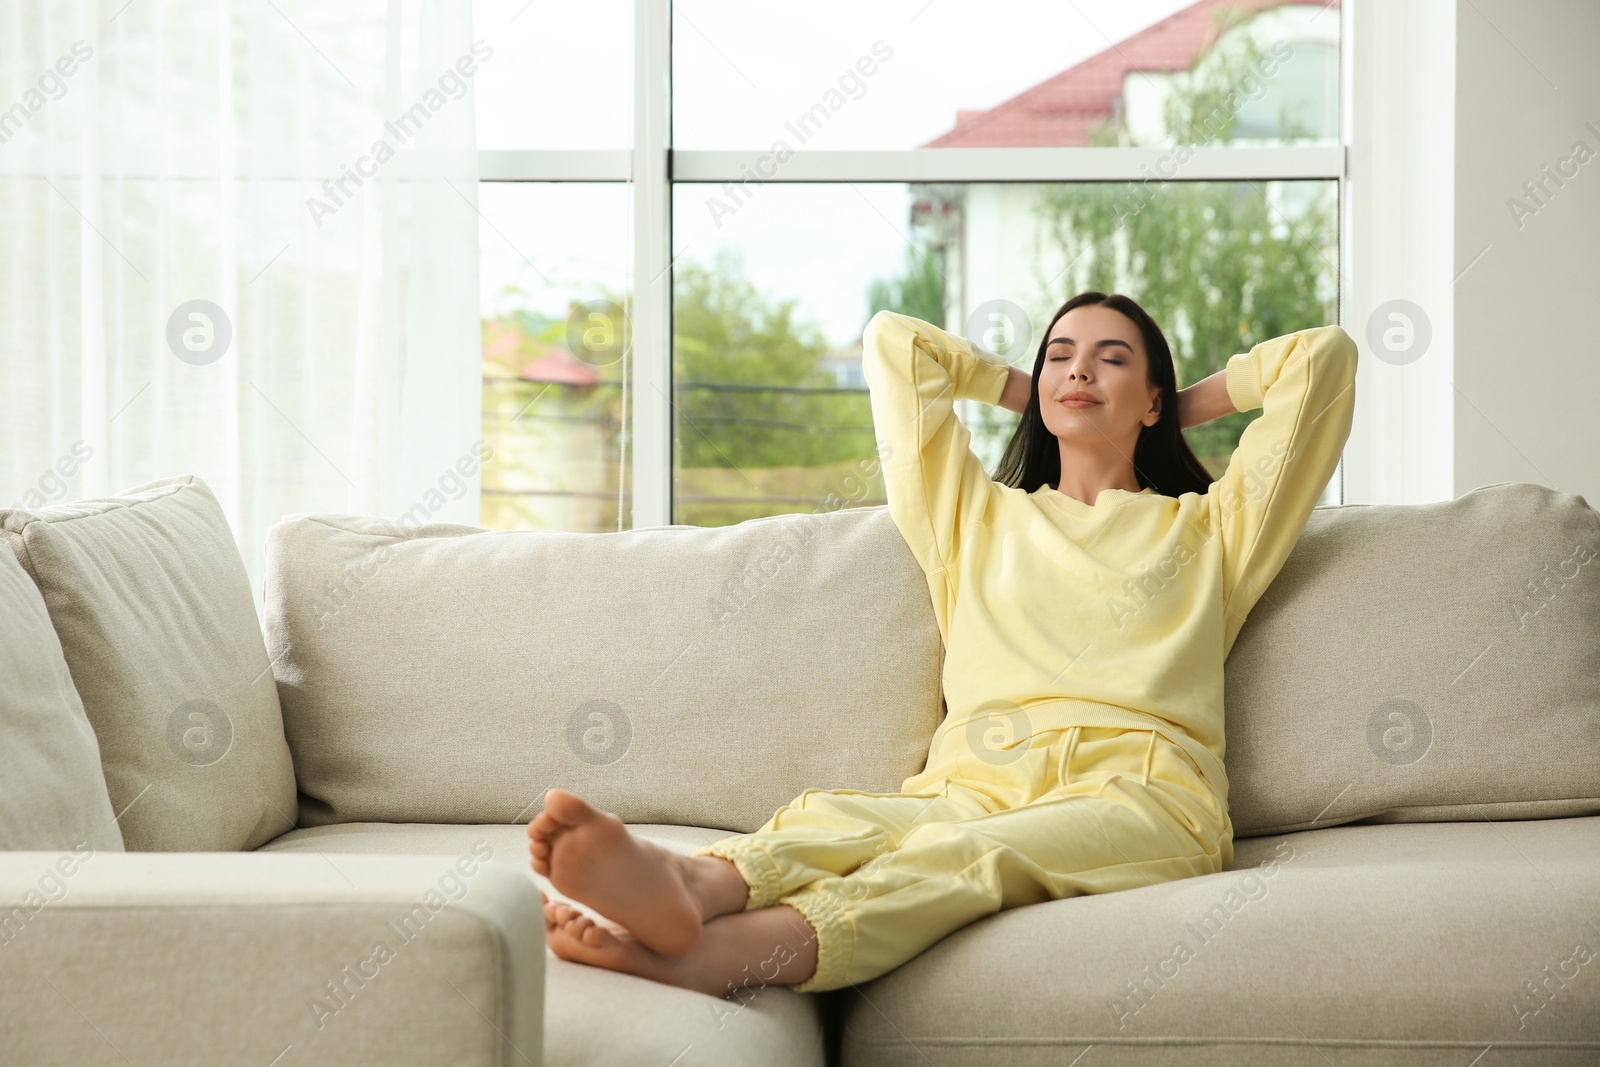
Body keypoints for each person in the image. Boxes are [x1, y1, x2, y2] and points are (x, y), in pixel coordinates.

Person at [528, 291, 1358, 998]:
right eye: (1061, 355)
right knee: (839, 818)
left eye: (1111, 359)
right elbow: (899, 344)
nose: (1078, 370)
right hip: (974, 774)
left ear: (1151, 398)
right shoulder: (977, 515)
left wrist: (1181, 404)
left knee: (966, 854)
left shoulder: (1214, 527)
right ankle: (695, 881)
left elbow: (1322, 361)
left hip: (1142, 792)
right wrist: (1026, 389)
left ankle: (726, 954)